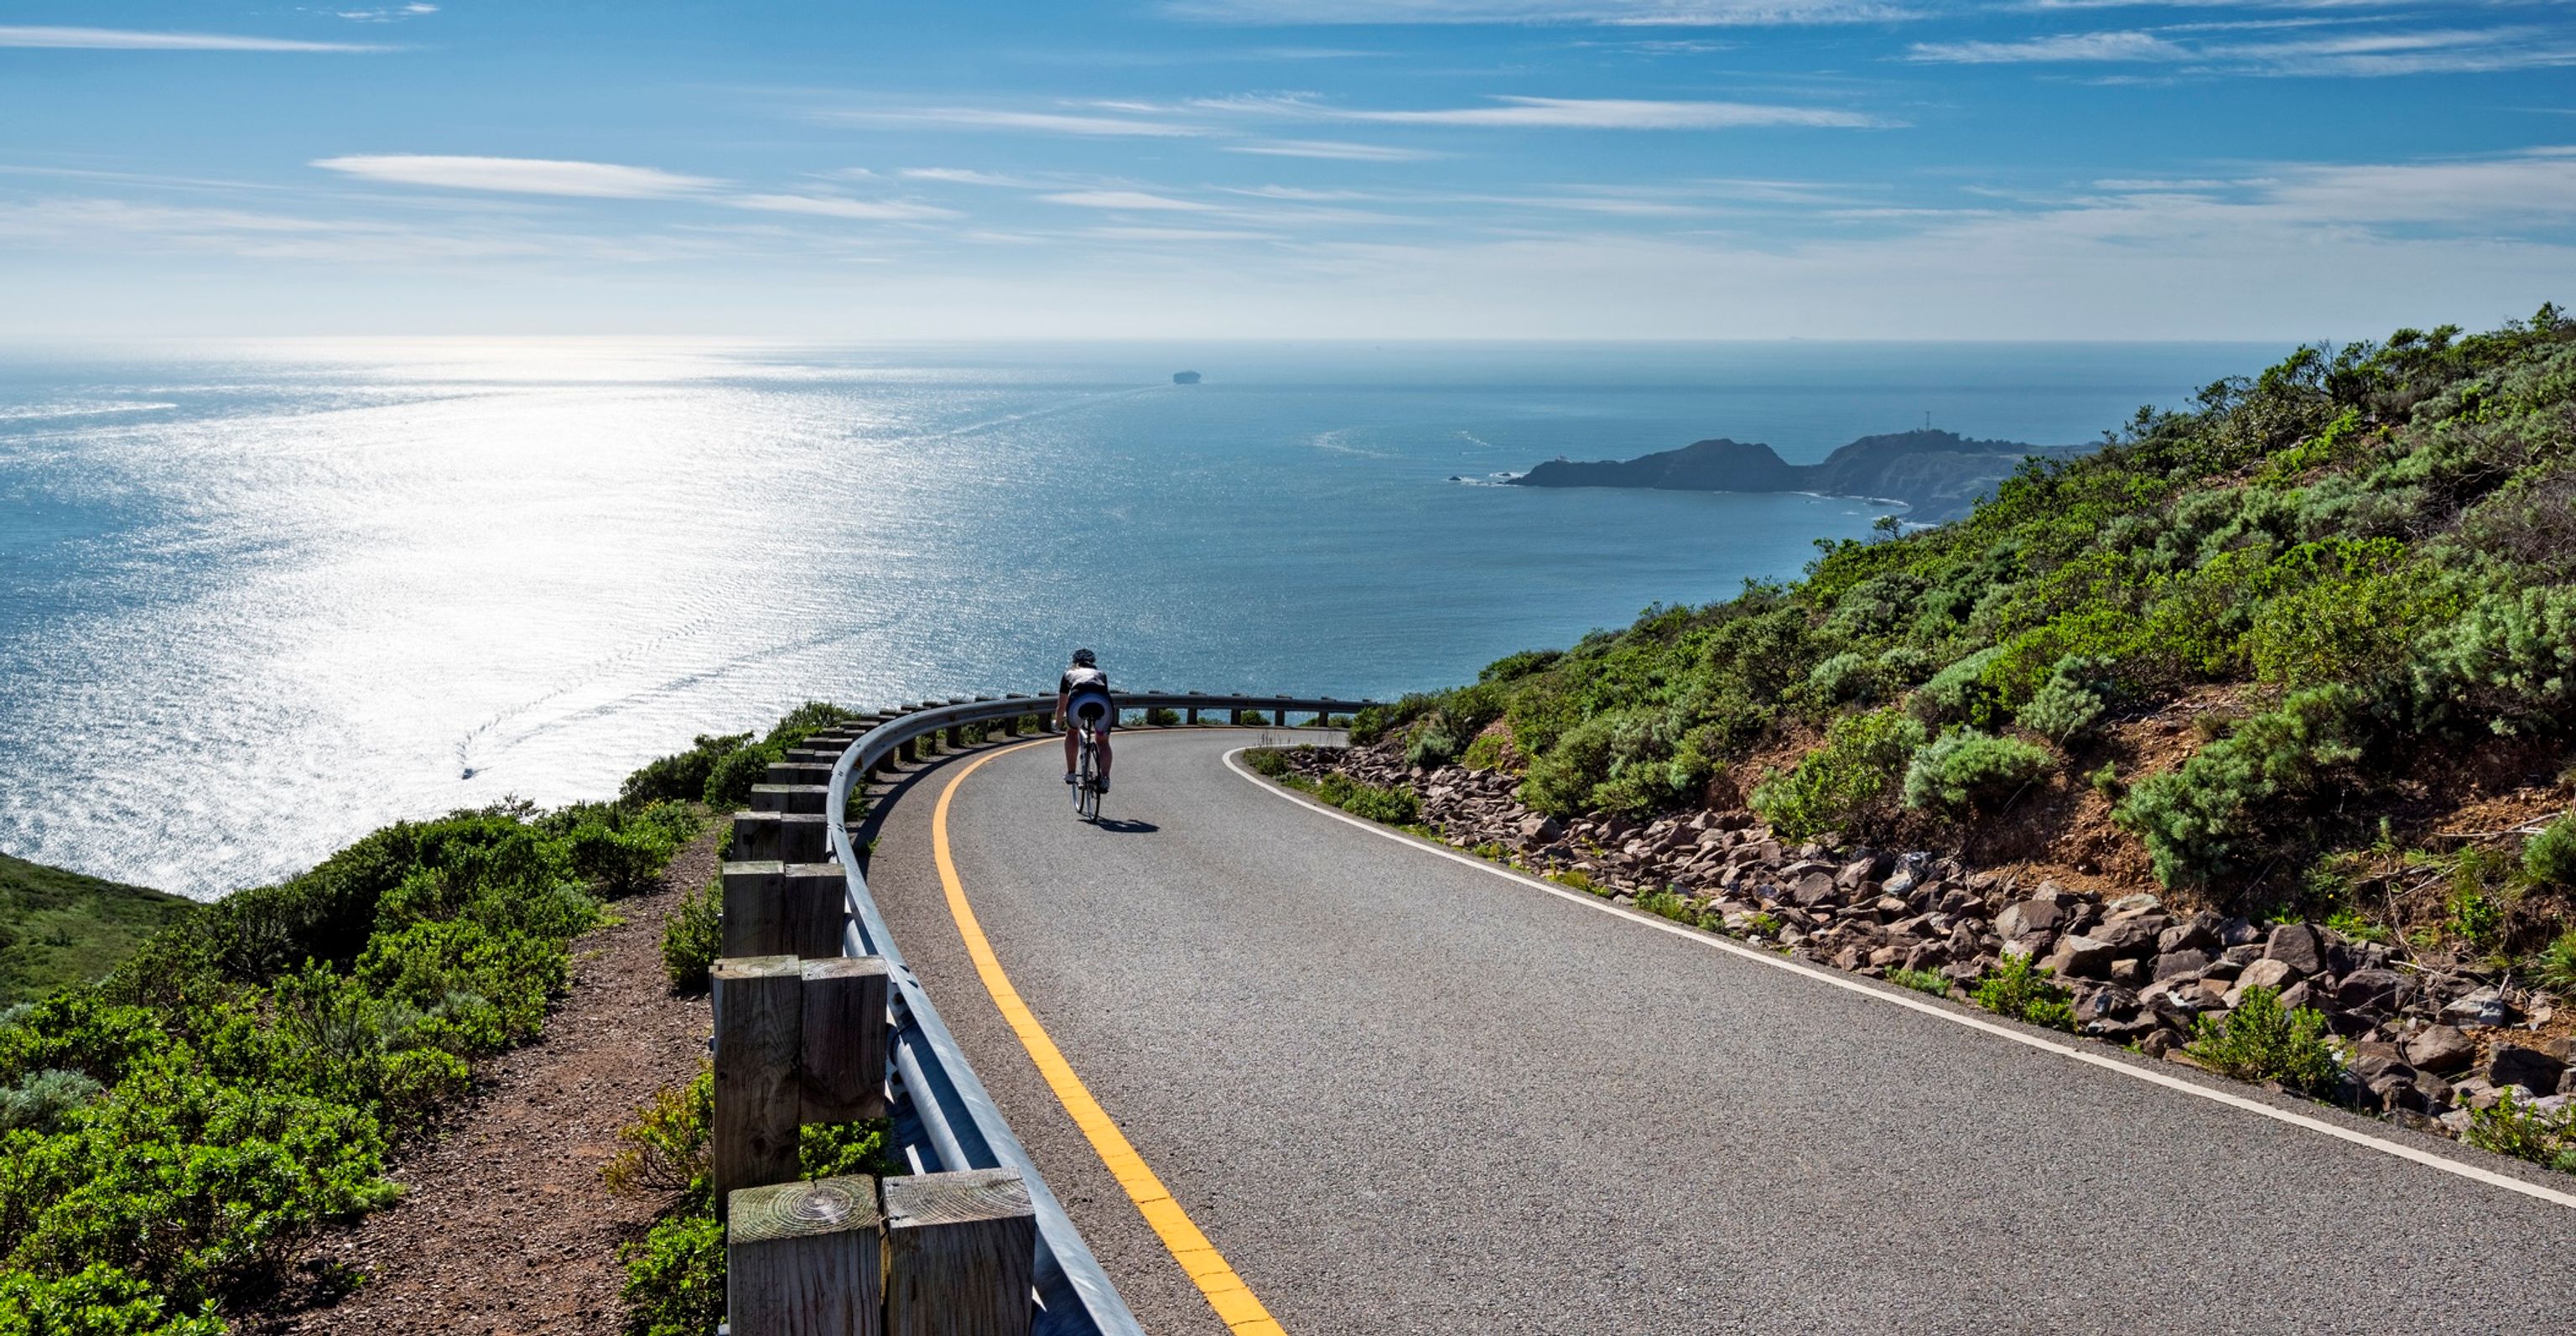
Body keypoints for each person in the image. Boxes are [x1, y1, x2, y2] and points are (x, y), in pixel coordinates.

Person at [1056, 647, 1113, 793]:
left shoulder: (1069, 674)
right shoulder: (1101, 674)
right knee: (1103, 741)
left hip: (1079, 702)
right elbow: (1106, 693)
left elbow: (1061, 706)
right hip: (1102, 703)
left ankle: (1071, 773)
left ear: (1075, 662)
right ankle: (1105, 779)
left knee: (1072, 733)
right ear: (1093, 663)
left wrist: (1057, 723)